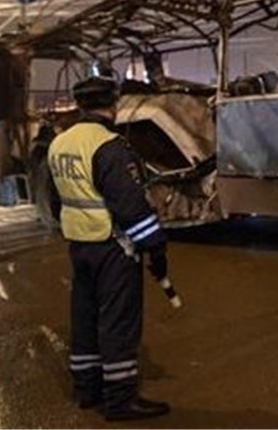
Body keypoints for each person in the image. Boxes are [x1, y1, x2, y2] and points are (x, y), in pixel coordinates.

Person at [47, 75, 170, 421]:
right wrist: (155, 248)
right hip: (112, 247)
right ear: (113, 105)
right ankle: (120, 400)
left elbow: (57, 201)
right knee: (118, 321)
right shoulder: (110, 146)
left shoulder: (60, 143)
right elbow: (130, 205)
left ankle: (87, 390)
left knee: (85, 317)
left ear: (80, 105)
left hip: (79, 246)